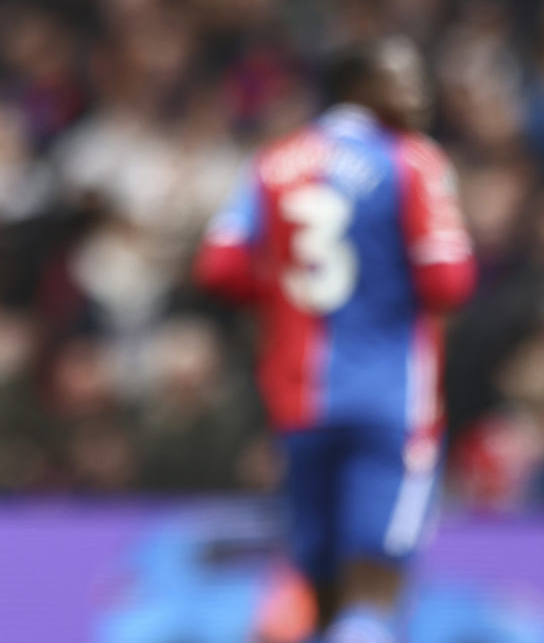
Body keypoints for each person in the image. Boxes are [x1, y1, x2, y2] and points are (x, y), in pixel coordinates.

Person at [194, 38, 476, 643]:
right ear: (357, 86)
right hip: (391, 402)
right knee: (375, 587)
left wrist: (285, 294)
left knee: (320, 589)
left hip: (299, 401)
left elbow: (217, 267)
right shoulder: (412, 160)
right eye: (402, 80)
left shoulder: (273, 162)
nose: (419, 96)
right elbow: (449, 281)